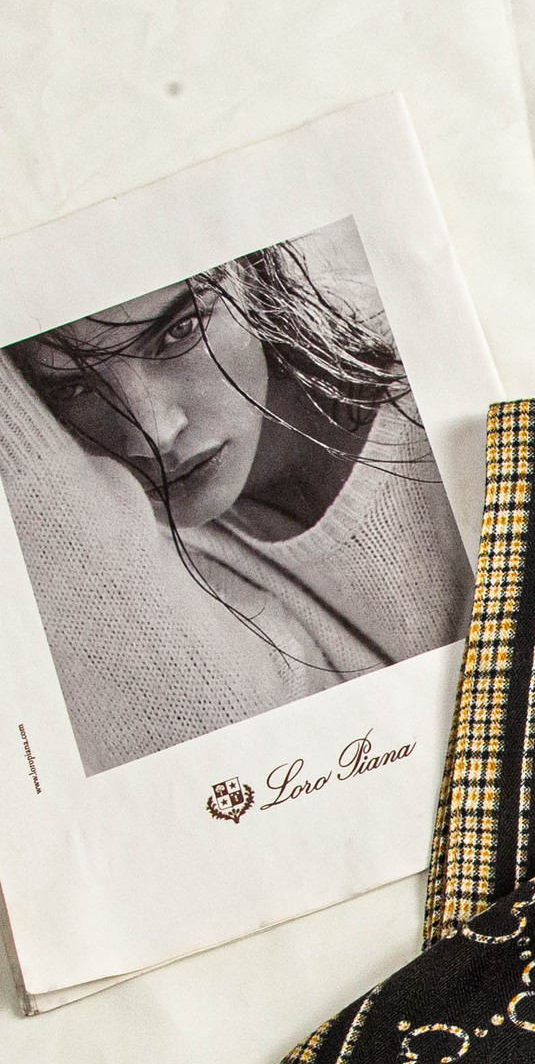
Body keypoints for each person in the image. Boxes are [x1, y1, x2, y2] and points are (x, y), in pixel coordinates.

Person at [0, 219, 471, 774]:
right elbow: (236, 758)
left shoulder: (446, 384)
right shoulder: (143, 546)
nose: (152, 434)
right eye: (74, 388)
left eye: (179, 332)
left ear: (254, 274)